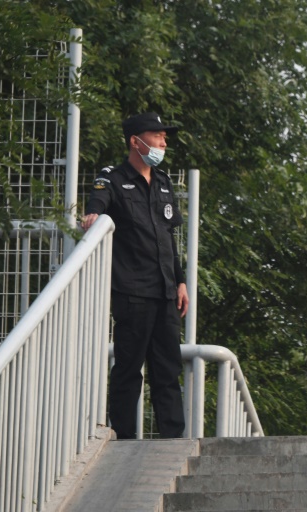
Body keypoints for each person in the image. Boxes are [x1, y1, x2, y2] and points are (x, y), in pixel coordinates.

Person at [82, 112, 188, 439]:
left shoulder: (164, 182)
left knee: (168, 371)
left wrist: (180, 280)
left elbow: (169, 238)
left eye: (164, 137)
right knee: (129, 370)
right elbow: (98, 202)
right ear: (135, 141)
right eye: (157, 136)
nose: (163, 142)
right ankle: (123, 440)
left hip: (166, 293)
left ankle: (172, 441)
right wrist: (94, 214)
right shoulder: (112, 179)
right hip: (132, 292)